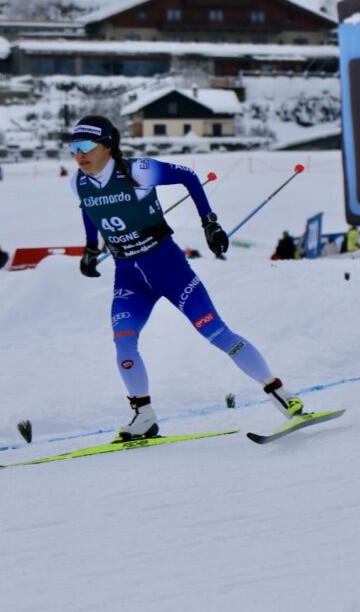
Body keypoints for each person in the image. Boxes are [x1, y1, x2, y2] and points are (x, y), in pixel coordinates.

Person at [68, 114, 306, 441]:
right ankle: (143, 414)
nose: (78, 154)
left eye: (85, 146)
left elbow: (189, 177)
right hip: (128, 276)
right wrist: (90, 247)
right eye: (73, 147)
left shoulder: (137, 171)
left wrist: (210, 222)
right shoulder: (78, 181)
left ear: (108, 146)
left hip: (167, 267)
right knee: (123, 342)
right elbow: (88, 207)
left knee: (215, 331)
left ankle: (283, 395)